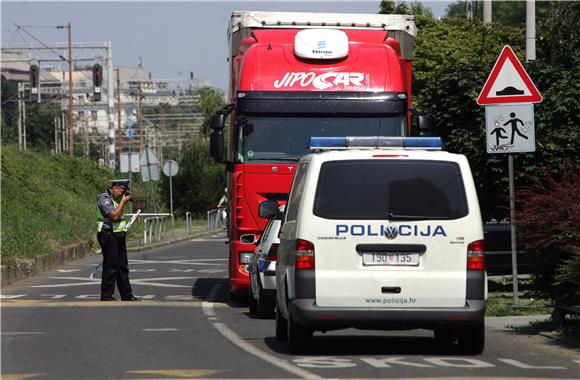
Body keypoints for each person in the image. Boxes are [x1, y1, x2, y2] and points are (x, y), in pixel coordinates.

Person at [96, 179, 139, 301]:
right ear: (115, 187)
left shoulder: (116, 199)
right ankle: (106, 296)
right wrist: (123, 202)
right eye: (122, 191)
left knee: (122, 266)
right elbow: (114, 216)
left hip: (118, 235)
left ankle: (127, 295)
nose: (122, 194)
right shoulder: (104, 199)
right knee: (111, 266)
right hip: (108, 235)